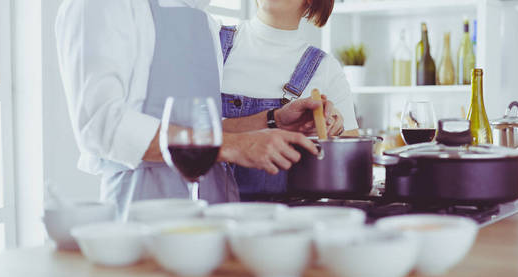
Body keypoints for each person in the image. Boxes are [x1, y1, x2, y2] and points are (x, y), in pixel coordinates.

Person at [55, 0, 331, 216]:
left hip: (213, 211)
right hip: (142, 213)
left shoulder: (205, 22)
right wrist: (233, 146)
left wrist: (273, 120)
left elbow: (199, 130)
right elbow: (101, 127)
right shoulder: (103, 5)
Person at [218, 0, 359, 199]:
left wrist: (332, 132)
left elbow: (350, 164)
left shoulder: (325, 69)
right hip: (209, 218)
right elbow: (183, 132)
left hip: (288, 222)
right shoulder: (213, 40)